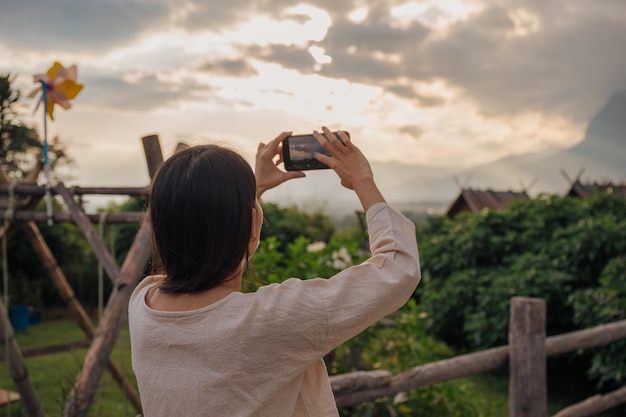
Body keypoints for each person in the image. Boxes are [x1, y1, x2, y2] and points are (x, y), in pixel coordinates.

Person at [128, 127, 421, 417]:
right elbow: (398, 268)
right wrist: (362, 179)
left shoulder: (143, 305)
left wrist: (252, 193)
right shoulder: (275, 320)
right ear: (253, 224)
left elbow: (201, 245)